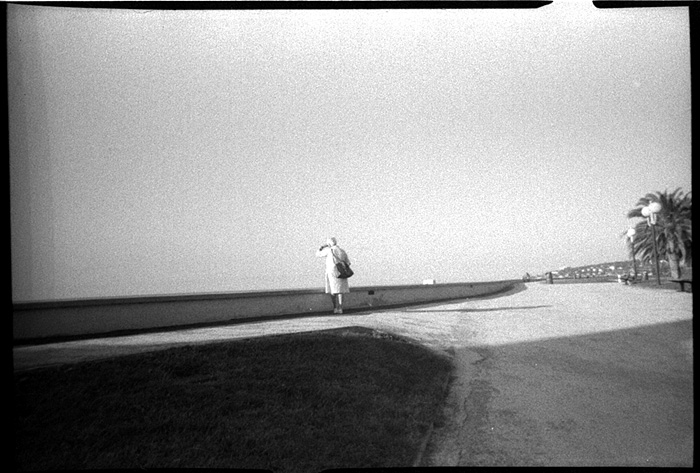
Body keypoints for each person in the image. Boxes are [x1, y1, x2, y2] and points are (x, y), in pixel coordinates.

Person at [316, 237, 351, 314]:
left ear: (329, 244)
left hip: (332, 272)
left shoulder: (329, 250)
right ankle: (341, 308)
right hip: (342, 272)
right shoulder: (342, 251)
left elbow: (318, 254)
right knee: (340, 291)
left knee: (333, 291)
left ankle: (335, 308)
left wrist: (321, 247)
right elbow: (348, 262)